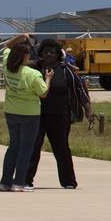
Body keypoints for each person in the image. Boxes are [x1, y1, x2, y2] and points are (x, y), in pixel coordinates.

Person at [26, 39, 92, 189]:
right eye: (46, 51)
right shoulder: (34, 69)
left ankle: (69, 181)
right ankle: (26, 180)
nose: (49, 54)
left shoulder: (65, 70)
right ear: (41, 53)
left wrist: (88, 110)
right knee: (34, 147)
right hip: (37, 115)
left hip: (60, 116)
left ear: (58, 55)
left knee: (61, 148)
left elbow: (80, 89)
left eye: (53, 52)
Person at [0, 35, 50, 191]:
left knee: (13, 146)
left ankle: (5, 182)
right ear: (24, 57)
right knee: (26, 148)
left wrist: (21, 36)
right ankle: (19, 182)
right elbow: (43, 93)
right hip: (29, 114)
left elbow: (7, 46)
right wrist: (48, 78)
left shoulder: (8, 65)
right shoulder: (32, 74)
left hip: (11, 111)